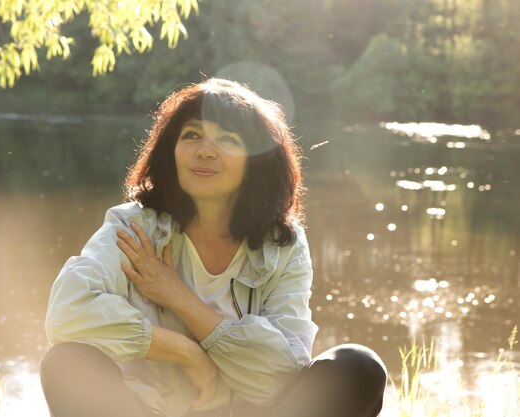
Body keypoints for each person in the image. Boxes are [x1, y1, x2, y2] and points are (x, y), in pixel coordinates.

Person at [40, 78, 387, 417]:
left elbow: (282, 376)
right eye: (191, 135)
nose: (205, 150)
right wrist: (185, 352)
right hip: (152, 411)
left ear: (256, 161)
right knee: (67, 363)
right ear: (171, 151)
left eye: (227, 139)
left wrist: (180, 298)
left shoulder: (284, 245)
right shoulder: (134, 227)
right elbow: (66, 313)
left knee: (358, 367)